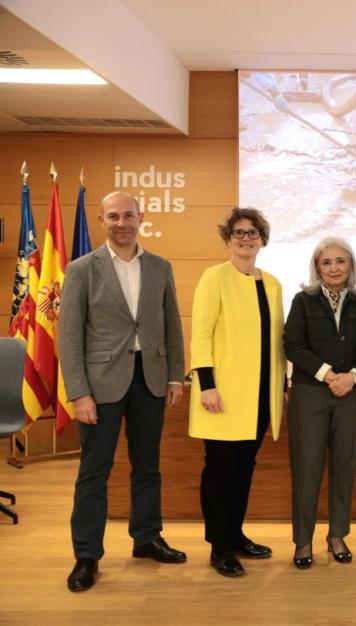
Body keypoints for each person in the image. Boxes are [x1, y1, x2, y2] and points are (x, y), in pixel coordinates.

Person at [59, 191, 186, 592]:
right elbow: (69, 338)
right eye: (113, 216)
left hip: (149, 379)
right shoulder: (81, 270)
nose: (121, 223)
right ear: (101, 219)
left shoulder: (160, 267)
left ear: (140, 218)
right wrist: (79, 392)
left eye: (128, 215)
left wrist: (175, 377)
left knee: (147, 466)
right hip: (100, 386)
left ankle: (146, 538)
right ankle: (86, 555)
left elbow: (171, 327)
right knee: (94, 472)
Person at [188, 207, 286, 578]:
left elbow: (276, 341)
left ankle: (236, 534)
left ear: (262, 238)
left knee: (245, 467)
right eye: (239, 233)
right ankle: (219, 546)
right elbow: (201, 334)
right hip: (223, 396)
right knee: (220, 471)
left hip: (260, 396)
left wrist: (282, 386)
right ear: (228, 239)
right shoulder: (214, 277)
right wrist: (207, 384)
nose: (246, 238)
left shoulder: (273, 283)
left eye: (253, 232)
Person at [284, 237, 356, 569]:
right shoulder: (302, 301)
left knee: (344, 466)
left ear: (351, 265)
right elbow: (292, 345)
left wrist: (351, 375)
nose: (334, 267)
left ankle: (337, 534)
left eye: (341, 261)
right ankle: (303, 541)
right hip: (311, 394)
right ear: (317, 267)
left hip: (352, 393)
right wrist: (328, 375)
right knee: (307, 468)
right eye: (326, 262)